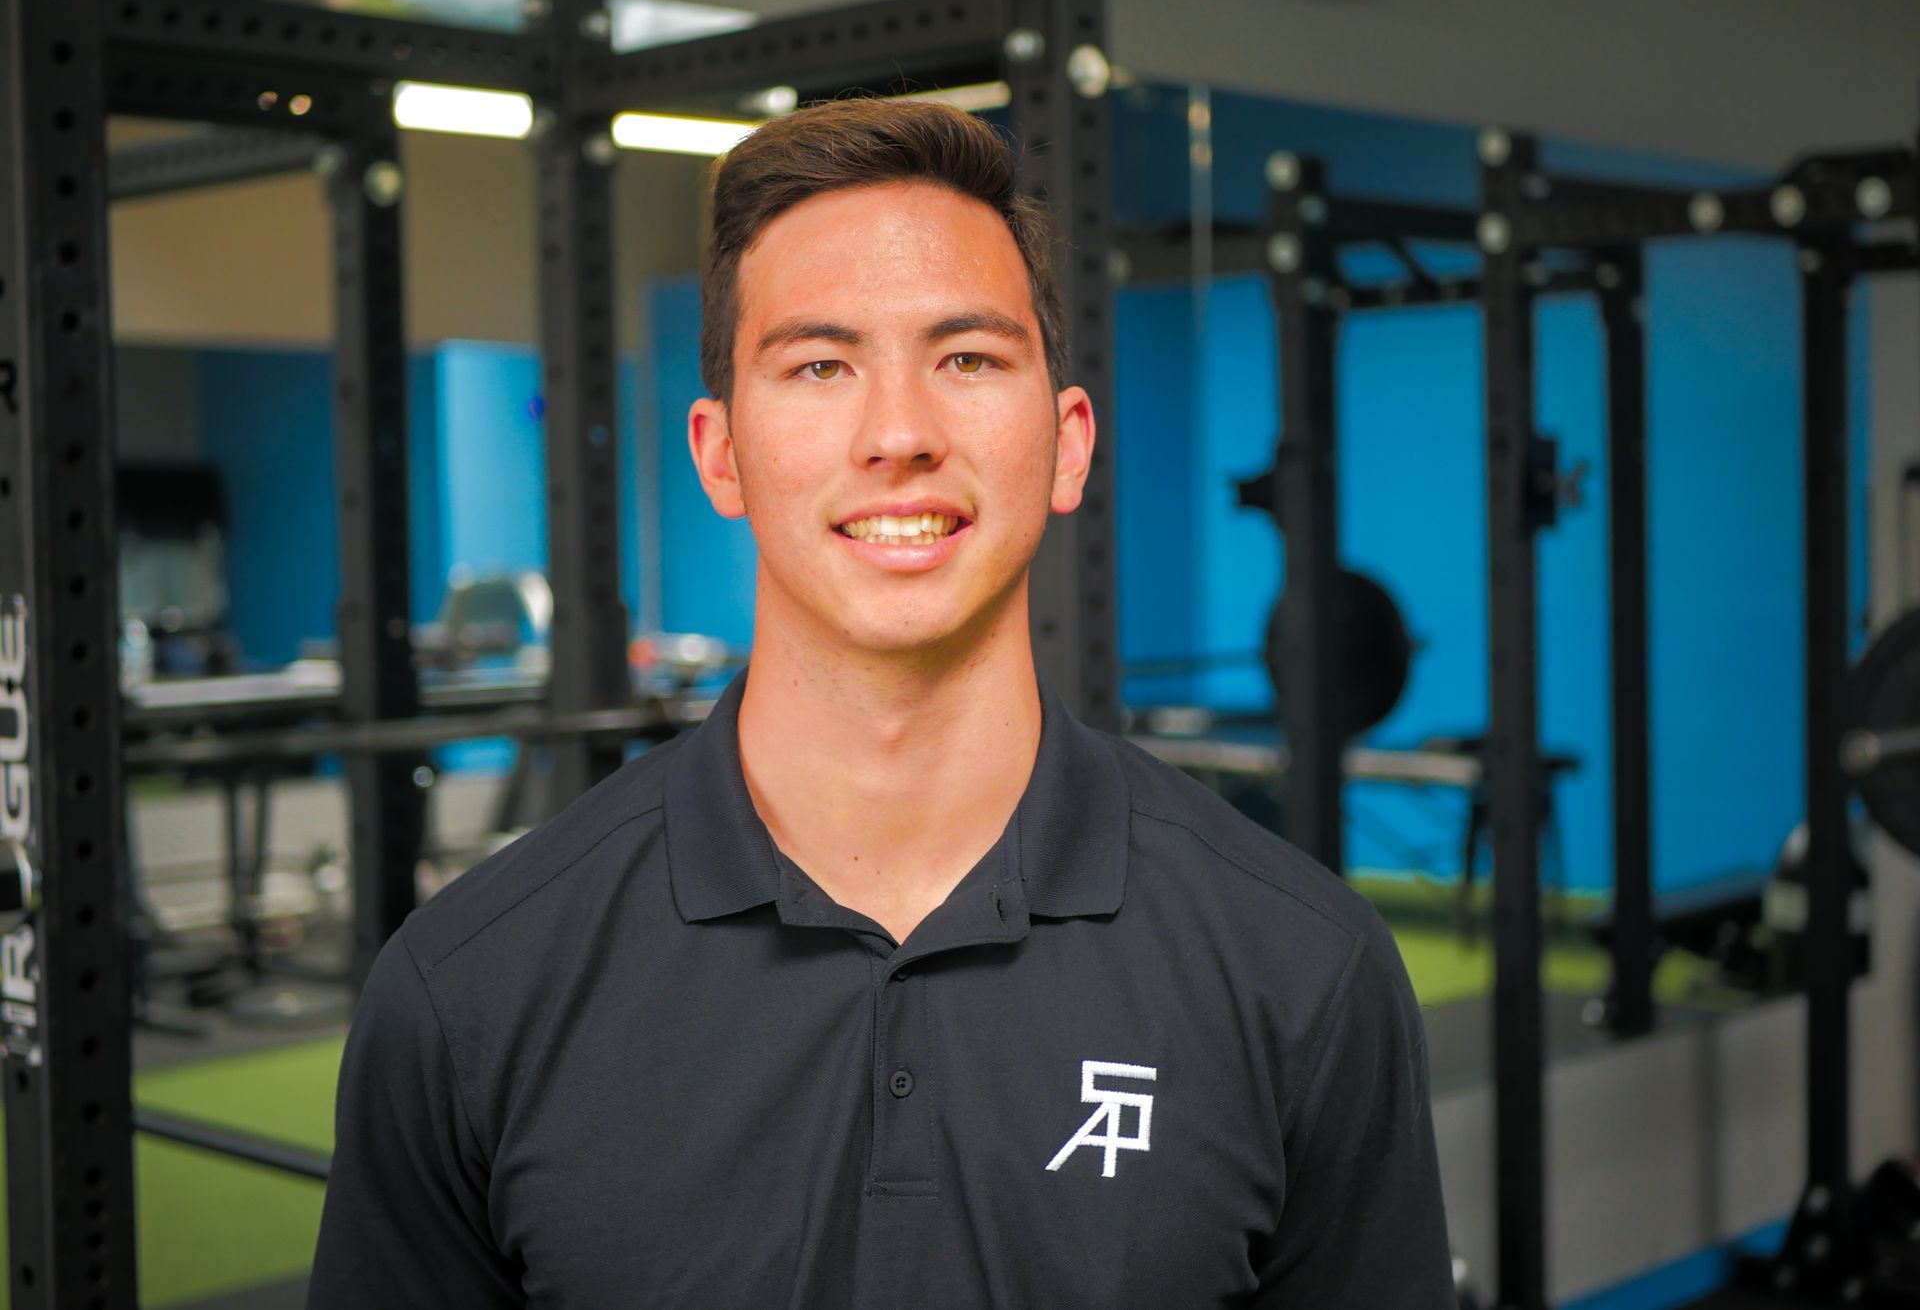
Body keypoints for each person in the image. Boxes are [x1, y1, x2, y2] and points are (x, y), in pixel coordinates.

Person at [308, 98, 1455, 1308]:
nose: (898, 433)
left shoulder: (1305, 970)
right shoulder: (471, 987)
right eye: (819, 364)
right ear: (720, 453)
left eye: (966, 358)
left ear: (1067, 444)